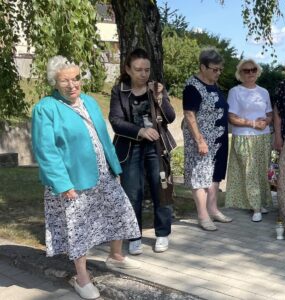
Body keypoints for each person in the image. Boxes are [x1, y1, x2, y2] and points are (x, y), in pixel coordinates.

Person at [31, 56, 140, 299]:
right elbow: (45, 150)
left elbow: (103, 136)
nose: (72, 85)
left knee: (119, 210)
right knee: (78, 228)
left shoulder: (89, 102)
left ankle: (116, 255)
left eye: (76, 78)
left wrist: (116, 168)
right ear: (55, 83)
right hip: (72, 180)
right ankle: (81, 278)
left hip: (103, 173)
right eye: (65, 81)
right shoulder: (45, 108)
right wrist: (62, 183)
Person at [109, 48, 176, 255]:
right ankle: (134, 235)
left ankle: (162, 234)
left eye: (147, 69)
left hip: (156, 147)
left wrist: (160, 98)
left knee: (161, 189)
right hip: (130, 147)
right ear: (128, 69)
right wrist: (140, 131)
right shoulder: (119, 90)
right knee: (132, 192)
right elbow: (116, 121)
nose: (143, 74)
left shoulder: (156, 88)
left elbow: (170, 117)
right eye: (138, 69)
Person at [182, 47, 232, 231]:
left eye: (220, 69)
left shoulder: (213, 84)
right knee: (200, 177)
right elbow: (189, 114)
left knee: (215, 174)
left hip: (218, 139)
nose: (218, 73)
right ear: (203, 67)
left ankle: (213, 209)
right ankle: (203, 215)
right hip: (202, 141)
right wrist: (199, 140)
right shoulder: (192, 86)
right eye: (214, 69)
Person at [224, 59, 273, 222]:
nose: (250, 73)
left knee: (261, 171)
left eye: (253, 70)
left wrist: (266, 121)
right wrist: (252, 123)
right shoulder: (235, 91)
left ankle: (259, 202)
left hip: (263, 137)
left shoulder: (264, 92)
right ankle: (256, 207)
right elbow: (231, 117)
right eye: (246, 71)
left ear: (257, 71)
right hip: (244, 137)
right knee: (249, 171)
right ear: (240, 73)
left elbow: (269, 114)